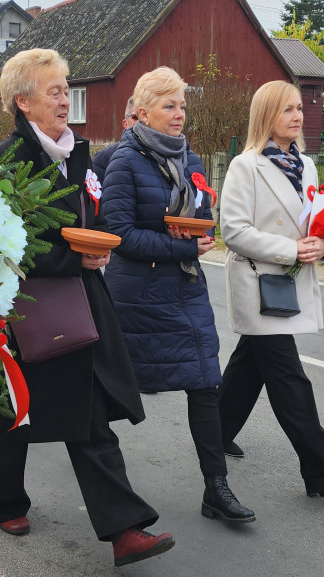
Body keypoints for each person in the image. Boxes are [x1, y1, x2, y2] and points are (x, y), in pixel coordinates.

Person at [0, 48, 174, 567]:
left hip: (83, 301)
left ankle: (124, 528)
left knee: (85, 410)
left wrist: (97, 247)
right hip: (31, 305)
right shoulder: (3, 161)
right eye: (54, 91)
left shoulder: (76, 154)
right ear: (22, 102)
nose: (65, 100)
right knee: (14, 407)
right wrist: (75, 257)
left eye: (66, 90)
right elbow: (2, 244)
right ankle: (6, 502)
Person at [101, 66, 255, 523]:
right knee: (112, 391)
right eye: (170, 105)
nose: (179, 114)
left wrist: (200, 230)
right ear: (143, 112)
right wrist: (181, 246)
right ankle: (97, 476)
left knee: (206, 381)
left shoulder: (190, 158)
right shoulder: (123, 161)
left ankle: (216, 487)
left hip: (186, 288)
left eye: (183, 105)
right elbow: (119, 233)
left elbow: (202, 208)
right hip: (137, 294)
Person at [217, 80, 324, 498]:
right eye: (287, 110)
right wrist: (291, 249)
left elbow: (316, 223)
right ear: (266, 116)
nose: (297, 116)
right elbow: (234, 231)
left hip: (288, 282)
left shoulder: (307, 166)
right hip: (257, 281)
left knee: (248, 367)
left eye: (298, 108)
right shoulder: (245, 165)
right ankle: (318, 469)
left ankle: (215, 433)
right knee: (289, 378)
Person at [90, 96, 136, 182]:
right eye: (135, 117)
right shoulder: (104, 158)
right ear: (125, 124)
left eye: (145, 115)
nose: (141, 121)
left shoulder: (164, 154)